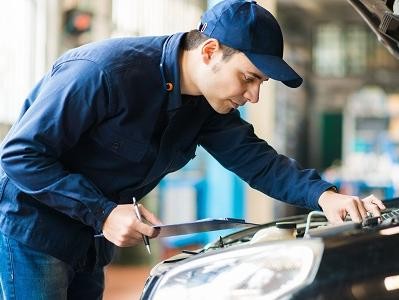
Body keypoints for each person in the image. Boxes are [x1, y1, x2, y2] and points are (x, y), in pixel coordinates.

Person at [0, 0, 386, 299]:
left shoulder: (204, 106)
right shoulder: (102, 73)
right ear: (210, 52)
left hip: (91, 238)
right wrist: (103, 213)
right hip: (37, 228)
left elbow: (259, 162)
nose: (252, 95)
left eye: (260, 84)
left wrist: (323, 195)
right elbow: (20, 154)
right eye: (248, 78)